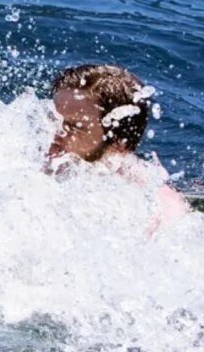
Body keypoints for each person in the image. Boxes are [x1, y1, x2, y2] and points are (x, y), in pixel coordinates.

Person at [47, 63, 192, 230]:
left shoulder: (152, 204)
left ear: (118, 144)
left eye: (74, 127)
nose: (55, 133)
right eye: (54, 119)